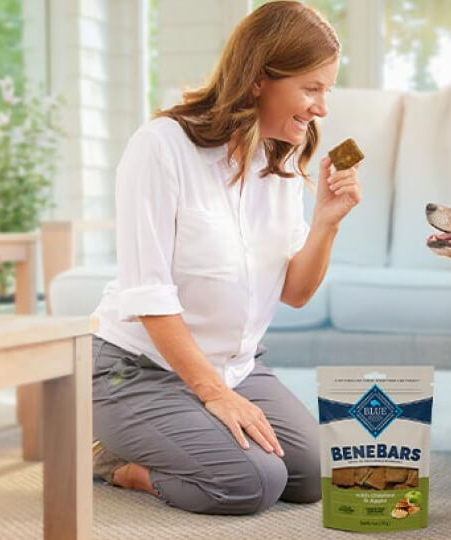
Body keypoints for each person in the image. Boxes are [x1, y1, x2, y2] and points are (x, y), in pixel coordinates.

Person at [90, 1, 360, 515]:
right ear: (259, 79)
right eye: (311, 88)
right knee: (251, 482)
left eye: (327, 89)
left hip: (234, 367)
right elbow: (148, 297)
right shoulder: (161, 147)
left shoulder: (277, 161)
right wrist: (213, 395)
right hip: (136, 369)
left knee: (315, 475)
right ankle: (116, 463)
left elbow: (296, 294)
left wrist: (328, 219)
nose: (322, 108)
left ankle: (192, 426)